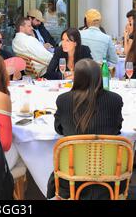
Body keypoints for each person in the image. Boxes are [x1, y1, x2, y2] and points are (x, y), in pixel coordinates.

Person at [47, 59, 124, 200]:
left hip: (71, 180)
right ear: (100, 77)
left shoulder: (64, 100)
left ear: (76, 78)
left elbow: (59, 129)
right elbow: (117, 128)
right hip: (111, 179)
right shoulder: (115, 100)